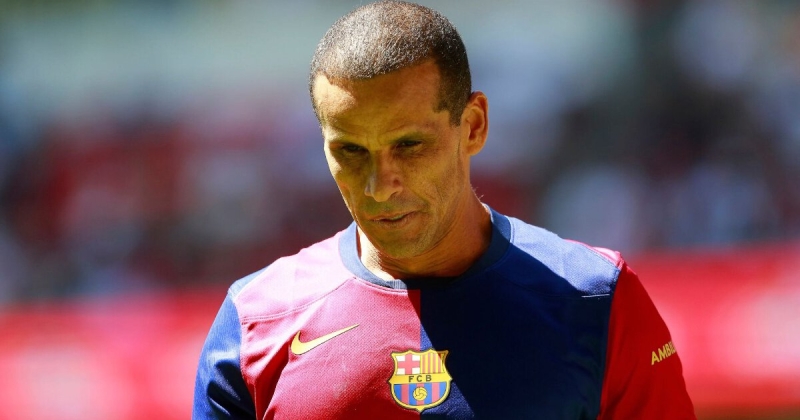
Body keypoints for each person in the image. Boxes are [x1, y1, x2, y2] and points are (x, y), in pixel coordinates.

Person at [193, 1, 696, 418]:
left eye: (409, 145)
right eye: (350, 151)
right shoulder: (255, 321)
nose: (380, 186)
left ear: (473, 126)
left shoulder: (598, 299)